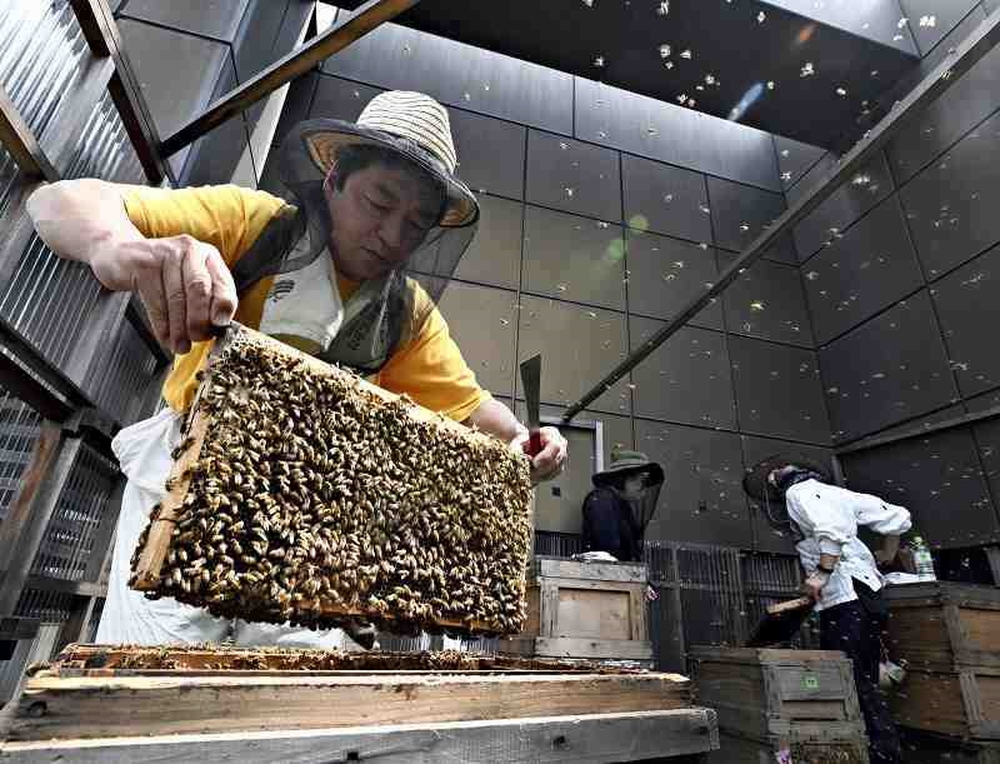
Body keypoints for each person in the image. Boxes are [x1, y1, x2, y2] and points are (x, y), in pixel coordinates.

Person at [27, 90, 568, 648]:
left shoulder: (407, 313)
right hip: (185, 481)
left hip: (316, 521)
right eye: (380, 204)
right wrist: (114, 247)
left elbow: (474, 411)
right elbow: (60, 201)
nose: (392, 236)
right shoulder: (254, 224)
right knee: (150, 672)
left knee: (288, 696)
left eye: (414, 224)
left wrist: (532, 441)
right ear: (333, 176)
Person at [752, 458, 910, 764]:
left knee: (850, 683)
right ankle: (877, 751)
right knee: (864, 682)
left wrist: (822, 574)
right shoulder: (839, 494)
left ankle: (879, 755)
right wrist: (888, 554)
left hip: (846, 599)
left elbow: (832, 529)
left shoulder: (800, 493)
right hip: (868, 598)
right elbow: (899, 518)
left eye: (773, 479)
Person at [581, 449, 664, 563]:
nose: (644, 490)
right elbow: (607, 550)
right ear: (625, 478)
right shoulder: (602, 499)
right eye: (643, 482)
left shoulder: (622, 506)